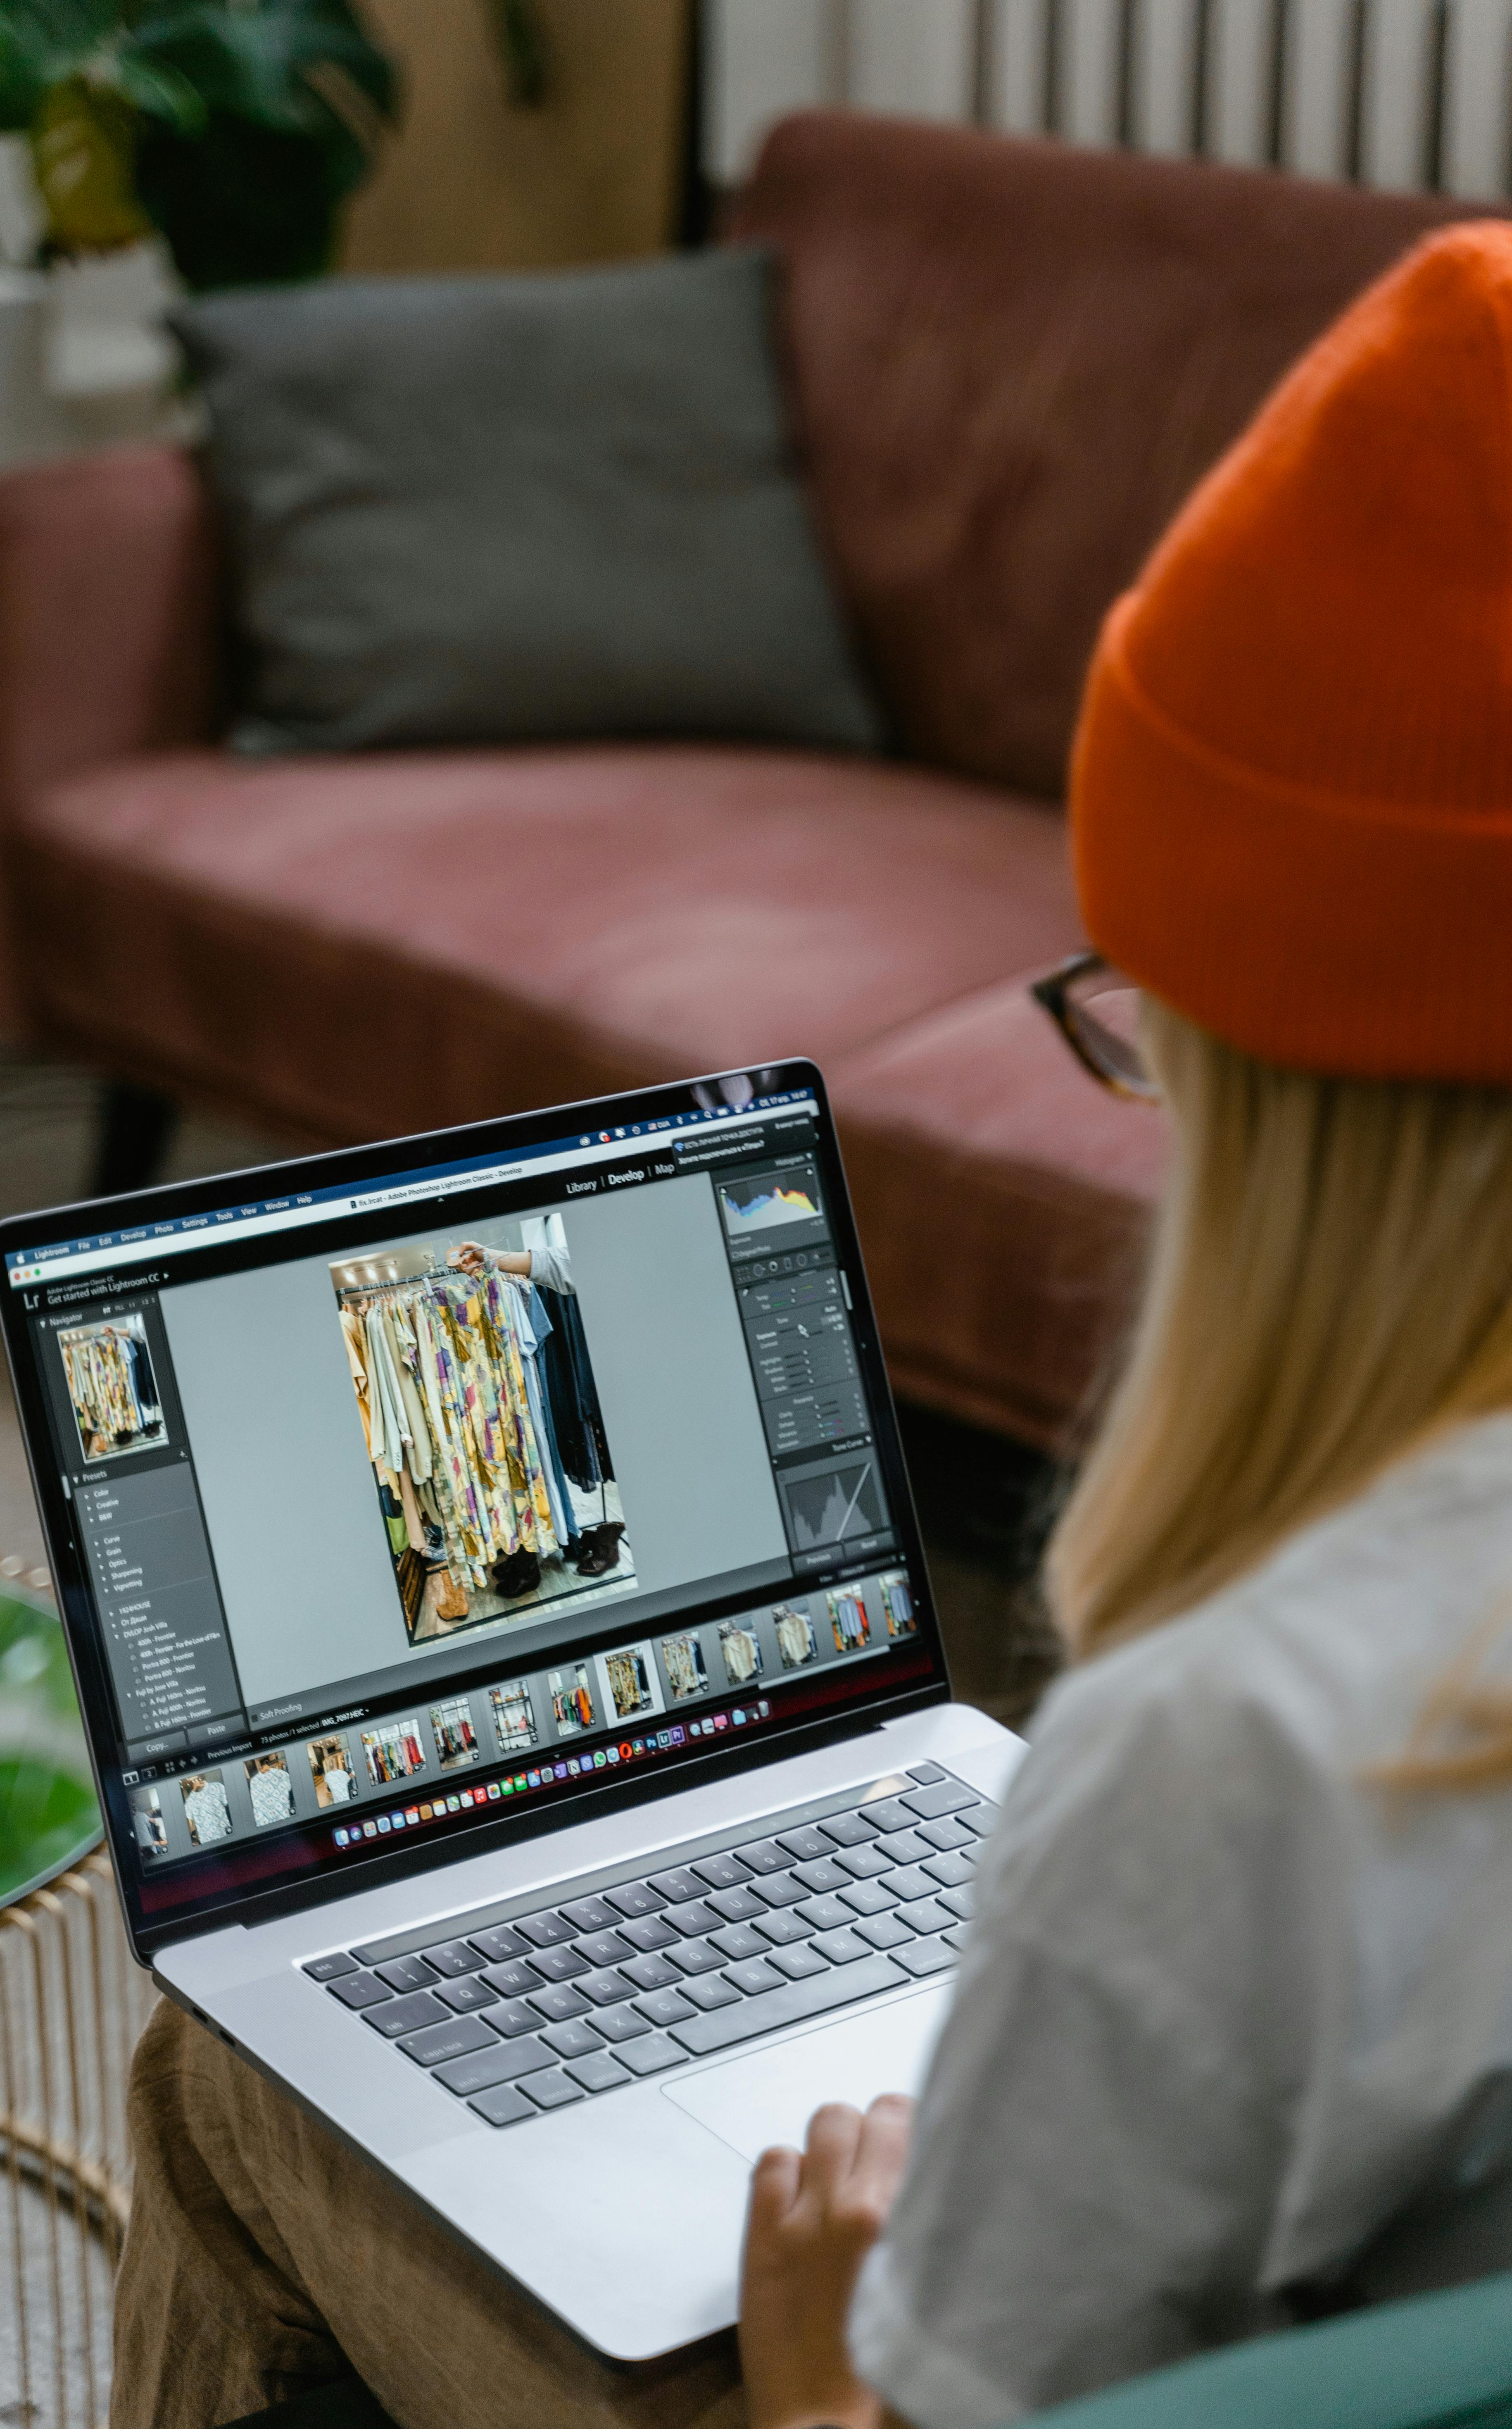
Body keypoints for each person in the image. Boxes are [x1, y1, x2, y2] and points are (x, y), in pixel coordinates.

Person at [111, 225, 1512, 2429]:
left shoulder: (1235, 1749)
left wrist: (818, 2375)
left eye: (1150, 1027)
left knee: (229, 2068)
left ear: (1290, 1085)